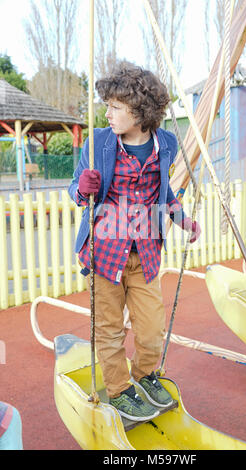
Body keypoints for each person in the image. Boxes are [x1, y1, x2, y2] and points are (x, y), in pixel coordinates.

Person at [68, 61, 201, 422]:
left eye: (115, 107)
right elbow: (76, 189)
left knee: (151, 328)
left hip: (145, 252)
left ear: (139, 110)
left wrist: (180, 217)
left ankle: (145, 375)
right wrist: (82, 189)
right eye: (107, 105)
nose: (107, 113)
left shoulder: (166, 143)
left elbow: (164, 191)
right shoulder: (99, 143)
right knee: (108, 330)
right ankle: (119, 389)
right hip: (104, 252)